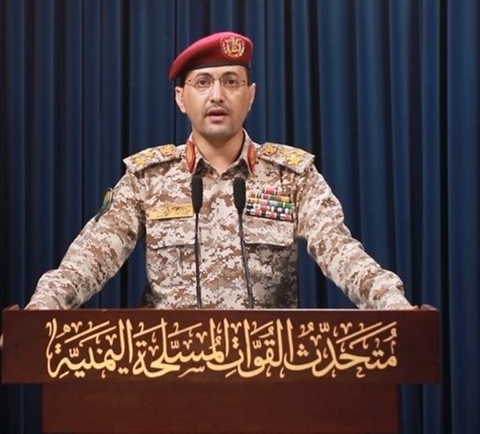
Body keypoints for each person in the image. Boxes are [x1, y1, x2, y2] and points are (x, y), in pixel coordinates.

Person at [26, 31, 412, 311]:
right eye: (202, 82)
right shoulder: (148, 179)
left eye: (231, 82)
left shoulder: (292, 177)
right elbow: (90, 258)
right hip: (167, 369)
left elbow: (340, 251)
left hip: (269, 369)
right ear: (181, 98)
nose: (217, 95)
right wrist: (43, 308)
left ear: (250, 95)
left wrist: (390, 302)